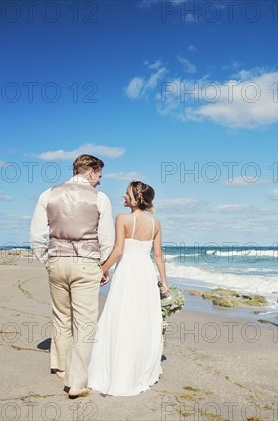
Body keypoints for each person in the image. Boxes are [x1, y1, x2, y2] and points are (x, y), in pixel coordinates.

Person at [29, 154, 114, 399]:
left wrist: (48, 260)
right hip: (86, 263)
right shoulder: (100, 198)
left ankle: (60, 366)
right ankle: (76, 381)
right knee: (85, 321)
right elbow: (106, 239)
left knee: (61, 315)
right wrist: (102, 267)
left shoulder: (48, 194)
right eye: (98, 175)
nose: (99, 181)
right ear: (90, 172)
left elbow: (36, 235)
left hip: (56, 261)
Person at [87, 181, 169, 396]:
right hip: (145, 274)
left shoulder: (123, 219)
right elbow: (158, 256)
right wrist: (164, 284)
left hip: (127, 273)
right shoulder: (156, 223)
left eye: (127, 193)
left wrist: (101, 271)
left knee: (122, 317)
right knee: (142, 320)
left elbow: (118, 251)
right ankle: (138, 369)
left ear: (135, 197)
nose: (123, 195)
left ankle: (119, 371)